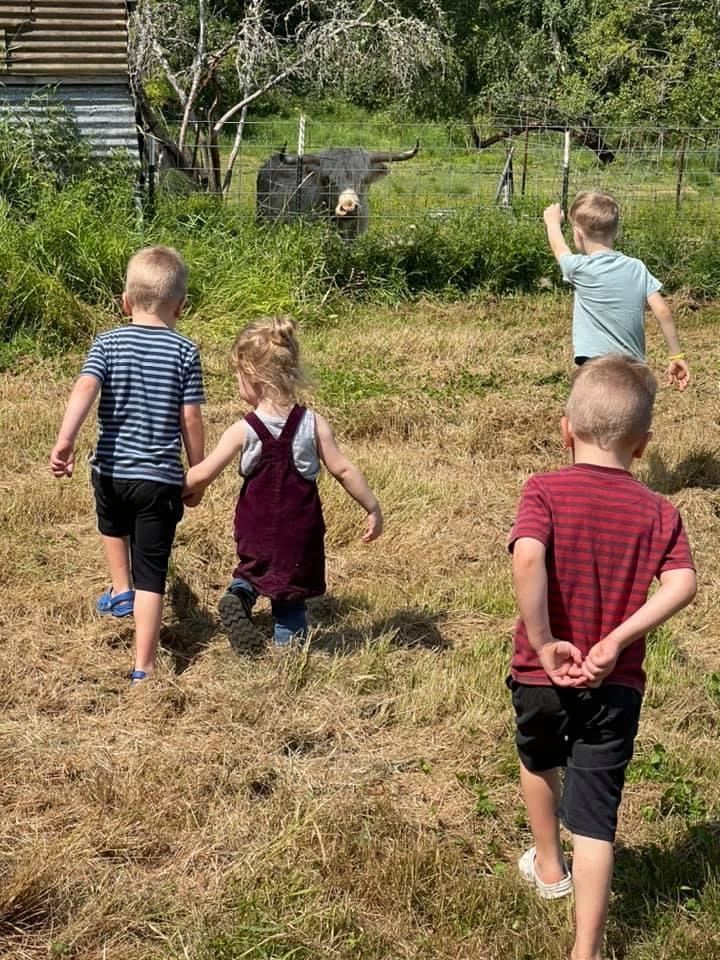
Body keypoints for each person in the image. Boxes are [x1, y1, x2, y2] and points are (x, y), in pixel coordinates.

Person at [508, 355, 696, 960]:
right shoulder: (660, 511)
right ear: (643, 446)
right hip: (614, 685)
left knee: (539, 762)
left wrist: (542, 641)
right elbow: (683, 583)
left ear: (566, 426)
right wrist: (617, 639)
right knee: (596, 819)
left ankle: (547, 866)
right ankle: (585, 952)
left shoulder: (542, 489)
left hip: (541, 674)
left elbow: (528, 556)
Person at [49, 246, 205, 684]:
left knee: (111, 526)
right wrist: (197, 470)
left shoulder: (108, 341)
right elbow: (190, 416)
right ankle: (144, 668)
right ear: (181, 306)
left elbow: (85, 387)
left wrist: (65, 439)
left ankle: (121, 592)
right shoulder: (184, 351)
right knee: (153, 575)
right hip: (157, 480)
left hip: (110, 472)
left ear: (125, 301)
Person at [183, 315, 383, 653]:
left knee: (252, 570)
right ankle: (288, 647)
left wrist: (169, 486)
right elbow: (344, 470)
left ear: (252, 376)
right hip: (299, 532)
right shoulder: (313, 424)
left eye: (237, 376)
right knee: (290, 591)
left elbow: (203, 473)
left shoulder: (243, 429)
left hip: (255, 527)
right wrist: (372, 507)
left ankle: (240, 596)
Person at [543, 192, 690, 390]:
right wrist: (676, 355)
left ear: (577, 234)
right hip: (633, 368)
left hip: (593, 366)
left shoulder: (579, 268)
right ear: (616, 231)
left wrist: (552, 223)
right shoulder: (637, 267)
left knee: (592, 416)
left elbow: (560, 248)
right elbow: (663, 311)